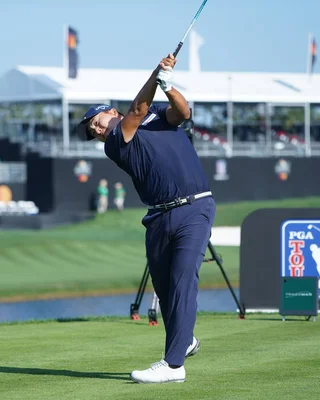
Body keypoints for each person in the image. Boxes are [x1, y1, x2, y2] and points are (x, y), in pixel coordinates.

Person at [75, 54, 215, 384]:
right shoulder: (115, 142)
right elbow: (137, 111)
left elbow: (183, 112)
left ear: (111, 111)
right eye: (91, 130)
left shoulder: (154, 114)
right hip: (158, 218)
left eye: (95, 120)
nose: (94, 129)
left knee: (183, 279)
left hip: (195, 208)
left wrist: (166, 85)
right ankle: (186, 340)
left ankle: (174, 364)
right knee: (165, 290)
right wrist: (156, 74)